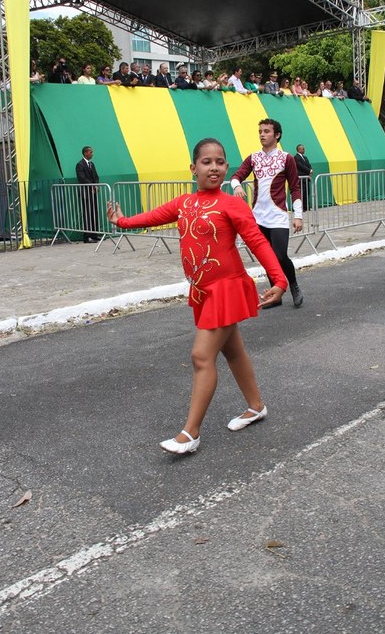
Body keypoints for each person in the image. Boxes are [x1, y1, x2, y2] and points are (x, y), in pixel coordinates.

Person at [107, 138, 287, 454]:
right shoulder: (184, 203)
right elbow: (150, 217)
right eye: (206, 162)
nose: (214, 167)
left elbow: (257, 241)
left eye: (220, 161)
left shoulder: (232, 203)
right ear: (194, 168)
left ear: (226, 167)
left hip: (227, 288)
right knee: (232, 351)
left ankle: (190, 434)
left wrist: (279, 279)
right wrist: (121, 221)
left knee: (201, 356)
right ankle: (256, 406)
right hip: (203, 290)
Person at [231, 119, 304, 309]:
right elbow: (236, 176)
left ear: (277, 135)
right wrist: (237, 186)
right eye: (260, 132)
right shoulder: (253, 157)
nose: (262, 135)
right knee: (267, 257)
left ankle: (294, 285)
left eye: (266, 131)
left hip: (278, 216)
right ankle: (275, 295)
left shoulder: (286, 158)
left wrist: (298, 215)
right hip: (258, 217)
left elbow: (295, 187)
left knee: (280, 256)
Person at [75, 146, 100, 243]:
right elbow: (82, 178)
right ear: (85, 153)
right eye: (90, 152)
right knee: (88, 214)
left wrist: (96, 185)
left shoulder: (92, 164)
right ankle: (87, 236)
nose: (92, 153)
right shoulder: (79, 165)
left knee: (94, 213)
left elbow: (96, 176)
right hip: (86, 193)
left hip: (92, 192)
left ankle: (94, 234)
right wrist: (91, 186)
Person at [294, 143, 313, 211]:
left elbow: (308, 164)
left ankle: (306, 207)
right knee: (301, 193)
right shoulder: (296, 157)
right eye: (303, 148)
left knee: (306, 193)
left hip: (306, 178)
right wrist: (308, 171)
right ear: (299, 149)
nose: (304, 150)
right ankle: (301, 207)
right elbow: (300, 166)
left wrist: (310, 170)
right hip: (301, 178)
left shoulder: (305, 157)